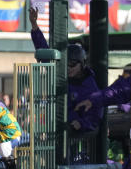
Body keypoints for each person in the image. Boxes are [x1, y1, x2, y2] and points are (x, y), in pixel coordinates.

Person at [29, 7, 104, 140]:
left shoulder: (90, 86)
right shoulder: (61, 75)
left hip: (77, 138)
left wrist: (81, 123)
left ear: (82, 64)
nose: (68, 68)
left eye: (73, 64)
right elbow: (45, 52)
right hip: (56, 132)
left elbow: (95, 116)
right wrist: (34, 26)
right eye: (66, 65)